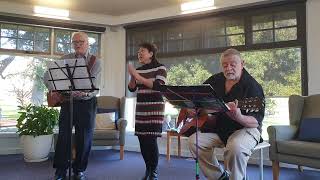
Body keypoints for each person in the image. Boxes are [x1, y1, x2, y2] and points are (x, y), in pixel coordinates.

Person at [188, 48, 265, 180]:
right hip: (220, 128)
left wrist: (239, 117)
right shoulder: (215, 80)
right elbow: (198, 96)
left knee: (235, 147)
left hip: (246, 129)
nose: (228, 68)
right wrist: (193, 107)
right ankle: (219, 177)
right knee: (194, 141)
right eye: (225, 65)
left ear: (242, 64)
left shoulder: (252, 86)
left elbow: (255, 121)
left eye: (233, 65)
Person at [45, 32, 101, 180]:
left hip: (87, 103)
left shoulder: (96, 61)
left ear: (88, 43)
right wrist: (54, 89)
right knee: (64, 136)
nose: (77, 44)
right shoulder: (64, 59)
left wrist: (83, 93)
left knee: (84, 137)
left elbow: (94, 86)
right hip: (67, 102)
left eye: (81, 41)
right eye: (74, 42)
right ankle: (61, 171)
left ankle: (79, 170)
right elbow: (47, 76)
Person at [127, 42, 167, 180]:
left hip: (155, 109)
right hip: (141, 109)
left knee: (150, 140)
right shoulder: (138, 70)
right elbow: (131, 88)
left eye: (142, 51)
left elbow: (158, 86)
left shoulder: (161, 68)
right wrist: (133, 75)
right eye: (138, 52)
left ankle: (154, 171)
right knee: (142, 141)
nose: (139, 53)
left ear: (151, 53)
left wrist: (138, 77)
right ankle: (148, 169)